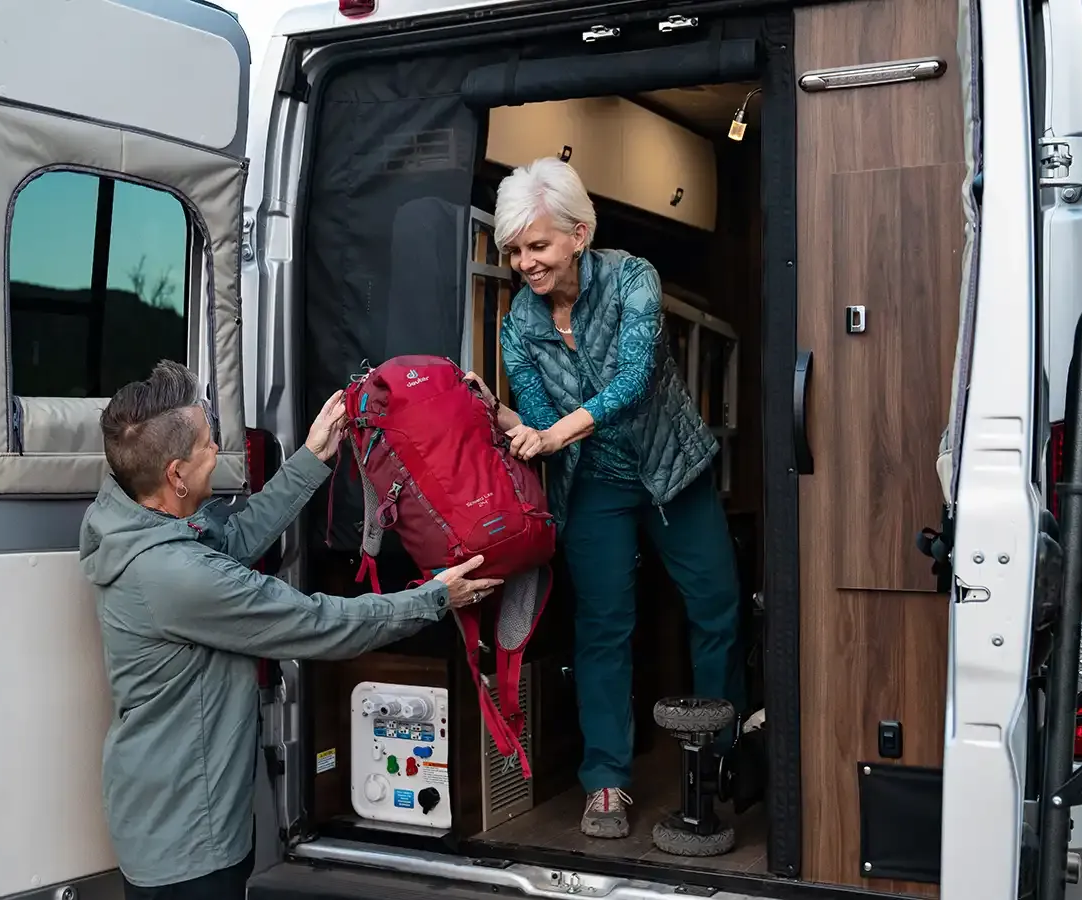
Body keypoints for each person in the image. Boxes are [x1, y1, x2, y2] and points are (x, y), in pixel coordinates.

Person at [79, 360, 500, 899]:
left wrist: (310, 460)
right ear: (177, 476)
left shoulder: (136, 527)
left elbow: (226, 548)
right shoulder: (177, 576)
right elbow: (318, 622)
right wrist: (435, 598)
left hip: (160, 816)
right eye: (209, 445)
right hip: (189, 842)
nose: (219, 454)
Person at [465, 157, 743, 841]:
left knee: (717, 607)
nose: (525, 263)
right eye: (514, 251)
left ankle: (721, 765)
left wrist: (552, 433)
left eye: (538, 245)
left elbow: (633, 379)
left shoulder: (633, 280)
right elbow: (533, 415)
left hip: (672, 470)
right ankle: (606, 783)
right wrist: (504, 418)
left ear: (579, 234)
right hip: (595, 486)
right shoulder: (518, 326)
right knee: (602, 628)